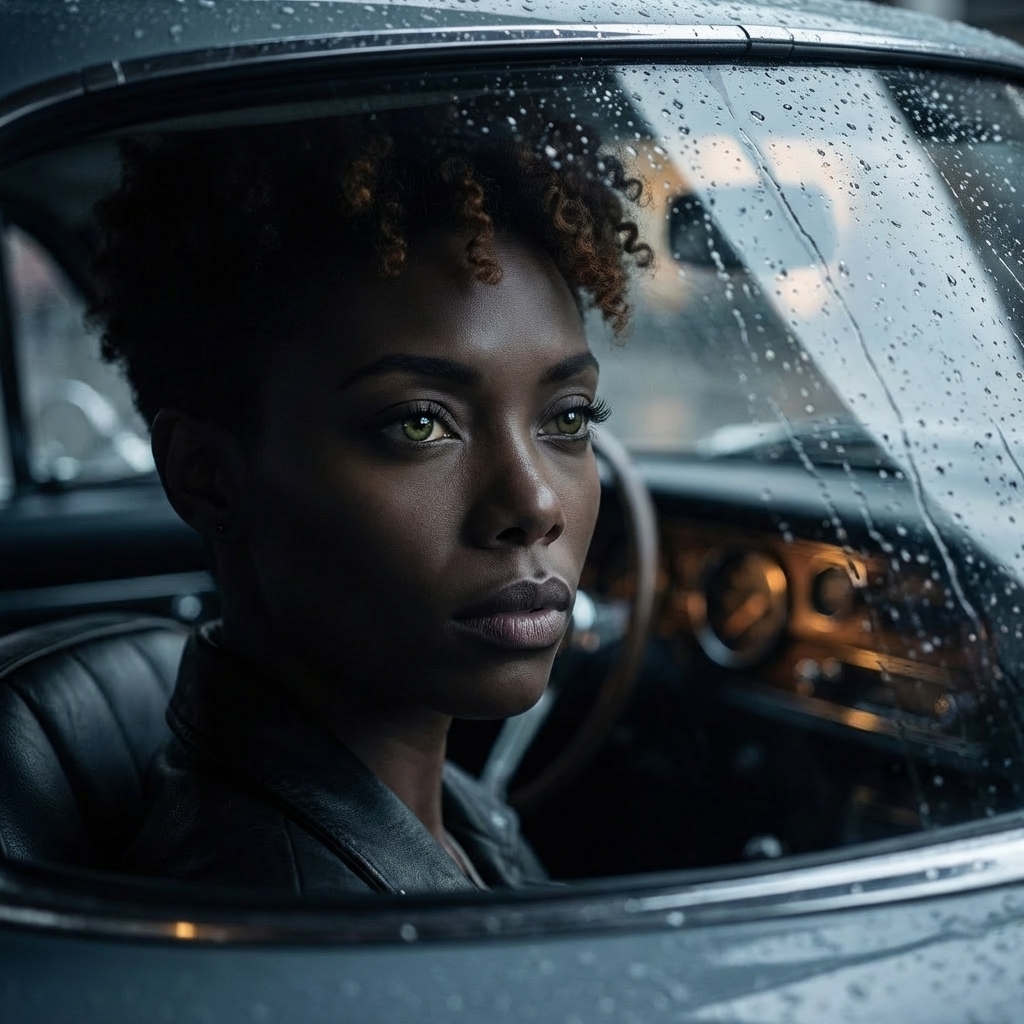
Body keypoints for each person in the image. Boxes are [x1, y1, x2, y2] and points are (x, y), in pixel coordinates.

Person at [90, 98, 651, 895]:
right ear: (206, 474)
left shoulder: (415, 817)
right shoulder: (290, 926)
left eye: (567, 417)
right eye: (420, 424)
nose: (534, 503)